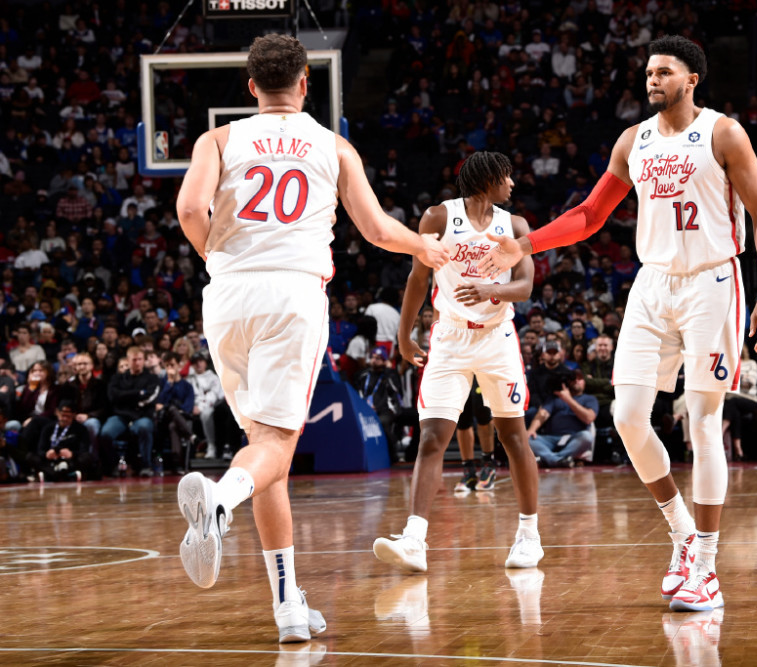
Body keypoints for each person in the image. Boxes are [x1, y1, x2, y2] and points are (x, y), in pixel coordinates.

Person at [478, 35, 757, 612]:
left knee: (703, 421)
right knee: (627, 417)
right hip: (652, 283)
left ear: (691, 80)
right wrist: (525, 244)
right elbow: (590, 215)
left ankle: (707, 568)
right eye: (648, 72)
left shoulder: (723, 133)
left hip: (713, 281)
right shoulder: (632, 140)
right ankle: (682, 533)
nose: (652, 80)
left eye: (664, 72)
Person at [173, 34, 447, 643]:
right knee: (273, 448)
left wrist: (219, 256)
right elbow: (377, 230)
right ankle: (219, 500)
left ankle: (288, 607)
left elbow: (190, 211)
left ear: (250, 87)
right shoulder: (333, 145)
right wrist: (423, 246)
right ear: (304, 83)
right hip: (292, 293)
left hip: (227, 293)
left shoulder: (218, 139)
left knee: (265, 448)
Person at [373, 150, 542, 574]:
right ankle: (414, 539)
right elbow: (418, 279)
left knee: (513, 437)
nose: (512, 184)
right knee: (432, 437)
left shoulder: (514, 226)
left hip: (497, 337)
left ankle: (529, 535)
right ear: (488, 180)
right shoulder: (438, 218)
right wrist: (404, 335)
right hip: (449, 336)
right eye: (506, 177)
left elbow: (525, 286)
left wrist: (491, 290)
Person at [102, 346, 159, 476]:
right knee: (106, 433)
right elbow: (113, 397)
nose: (137, 362)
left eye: (140, 359)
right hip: (121, 416)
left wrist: (124, 395)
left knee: (144, 427)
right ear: (128, 360)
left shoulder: (152, 378)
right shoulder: (118, 378)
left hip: (142, 416)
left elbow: (150, 397)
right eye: (134, 360)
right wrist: (138, 393)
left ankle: (146, 466)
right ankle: (114, 465)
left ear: (144, 360)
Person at [525, 369, 598, 466]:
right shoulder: (555, 398)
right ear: (568, 382)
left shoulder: (590, 399)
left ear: (584, 382)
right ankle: (559, 460)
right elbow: (542, 414)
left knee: (587, 437)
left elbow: (589, 418)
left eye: (580, 378)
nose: (576, 381)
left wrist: (568, 399)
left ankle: (551, 459)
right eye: (574, 379)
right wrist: (531, 430)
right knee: (527, 439)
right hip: (551, 439)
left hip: (574, 438)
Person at [30, 400, 97, 481]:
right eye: (63, 415)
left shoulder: (81, 429)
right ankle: (59, 473)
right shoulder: (48, 428)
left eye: (68, 416)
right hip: (51, 460)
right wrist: (47, 454)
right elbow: (40, 449)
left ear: (73, 415)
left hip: (70, 460)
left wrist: (72, 454)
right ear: (57, 413)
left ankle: (55, 474)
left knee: (87, 458)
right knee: (31, 457)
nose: (65, 419)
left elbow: (84, 450)